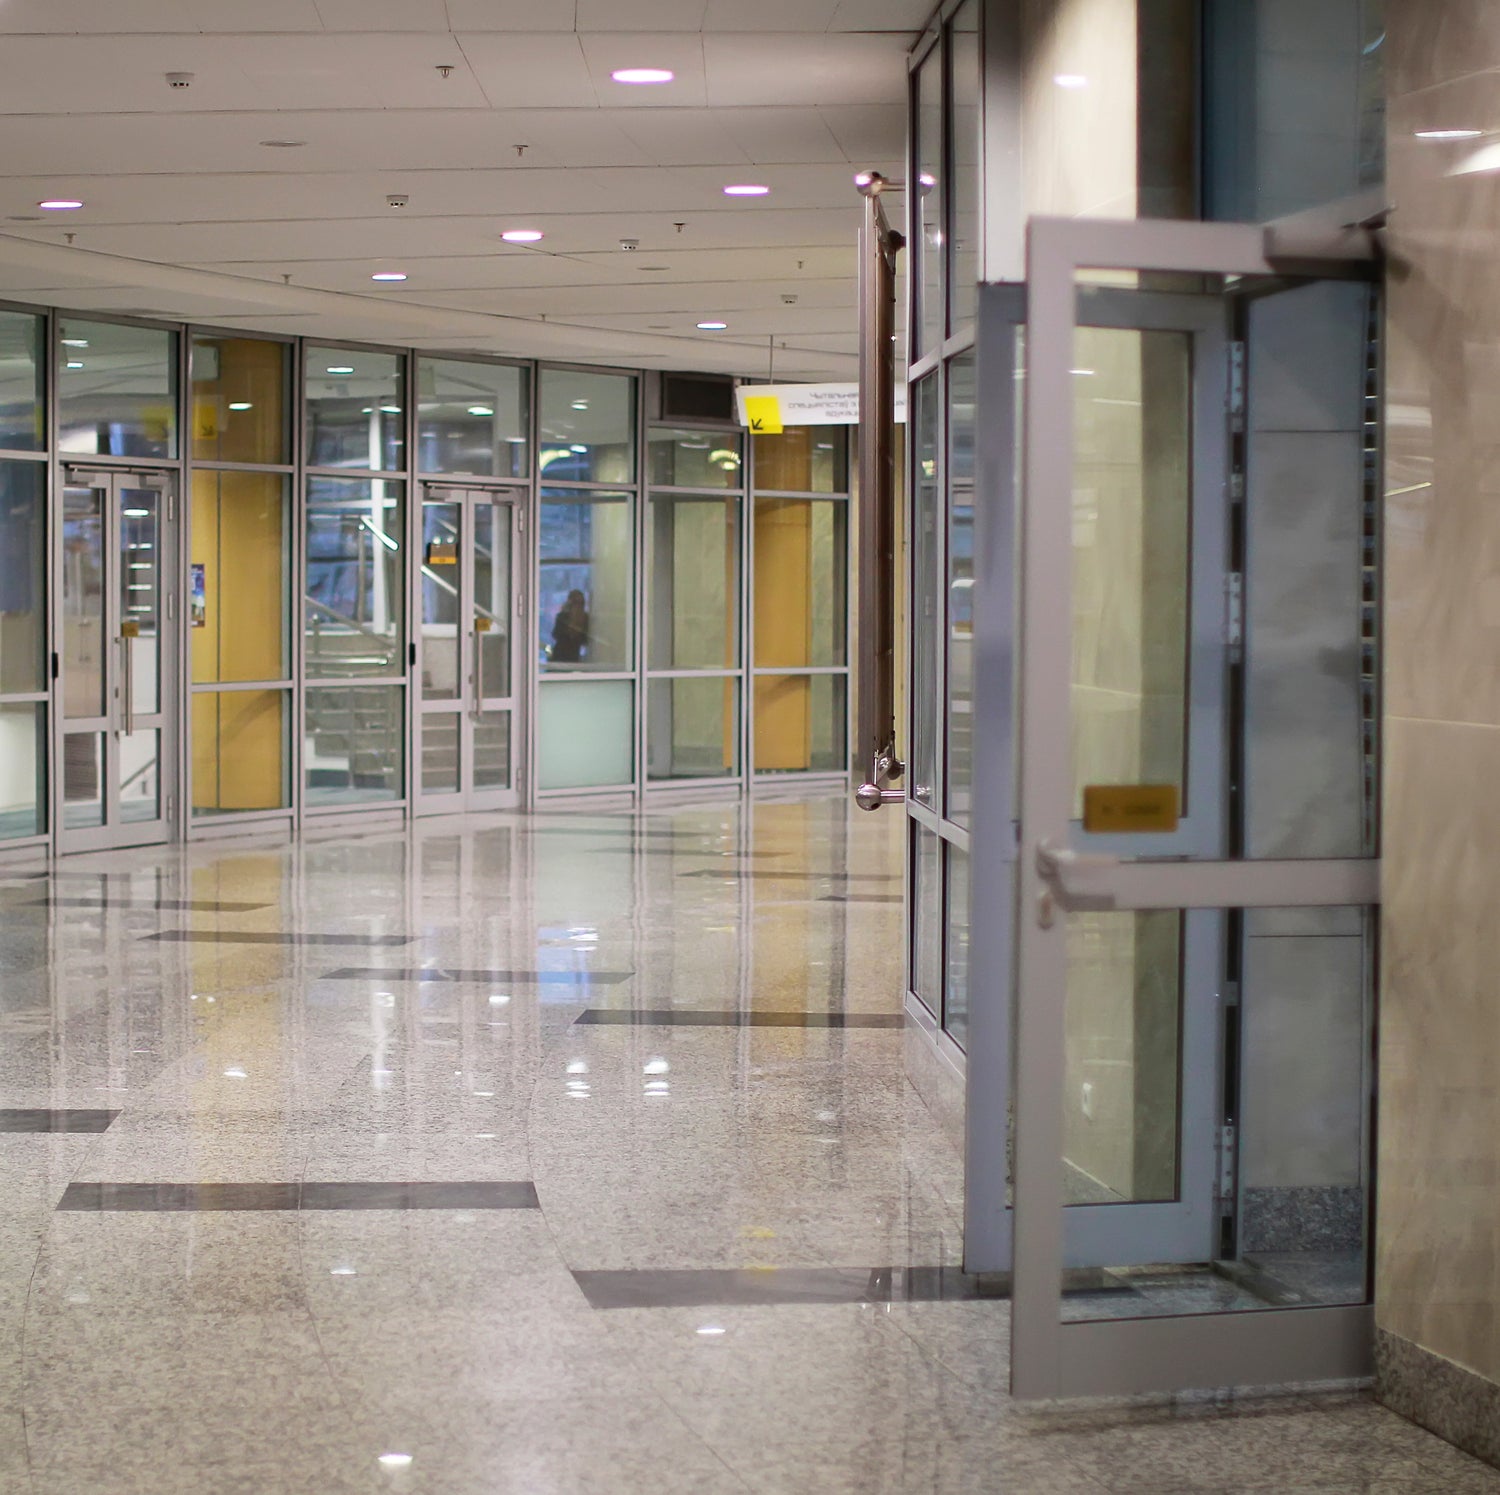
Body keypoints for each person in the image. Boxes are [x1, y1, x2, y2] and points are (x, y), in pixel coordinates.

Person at [551, 589, 589, 663]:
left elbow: (585, 640)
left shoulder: (585, 618)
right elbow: (556, 634)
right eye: (575, 603)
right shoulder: (563, 616)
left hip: (573, 656)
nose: (577, 606)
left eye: (580, 603)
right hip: (560, 656)